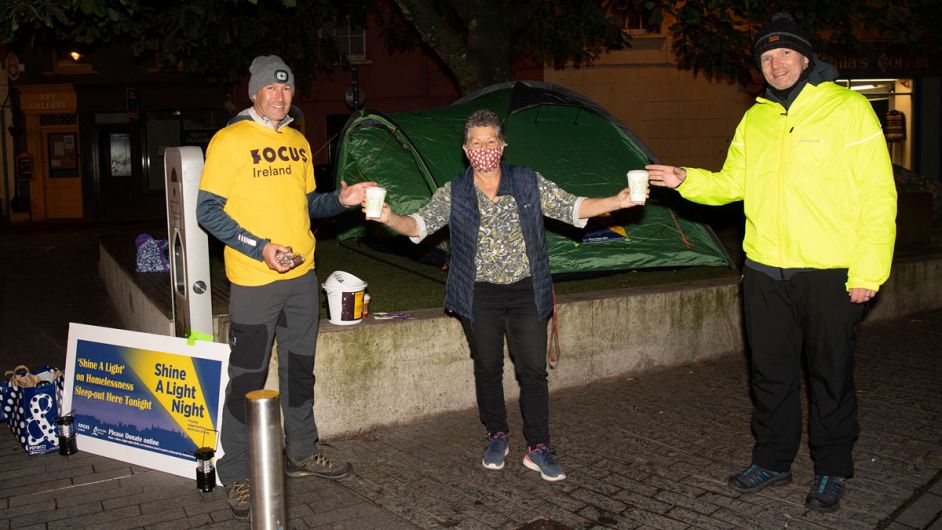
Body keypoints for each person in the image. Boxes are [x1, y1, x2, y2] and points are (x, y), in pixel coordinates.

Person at [647, 12, 897, 512]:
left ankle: (831, 468)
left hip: (830, 271)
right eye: (766, 56)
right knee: (771, 375)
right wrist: (685, 179)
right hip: (763, 272)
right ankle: (774, 461)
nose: (775, 63)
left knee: (829, 374)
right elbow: (733, 184)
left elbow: (878, 195)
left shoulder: (848, 109)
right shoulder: (755, 118)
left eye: (784, 53)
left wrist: (869, 271)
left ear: (806, 58)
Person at [366, 109, 647, 482]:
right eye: (476, 143)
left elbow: (572, 206)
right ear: (466, 150)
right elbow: (417, 225)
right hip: (477, 292)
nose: (484, 149)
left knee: (532, 370)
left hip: (525, 290)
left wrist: (617, 201)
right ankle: (497, 435)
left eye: (491, 142)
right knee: (487, 367)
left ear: (502, 145)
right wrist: (388, 218)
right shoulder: (455, 191)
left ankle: (539, 447)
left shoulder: (527, 180)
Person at [196, 55, 375, 521]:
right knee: (248, 379)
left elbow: (307, 205)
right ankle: (234, 471)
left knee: (300, 371)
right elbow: (208, 212)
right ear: (253, 92)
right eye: (271, 89)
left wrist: (343, 199)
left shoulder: (297, 142)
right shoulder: (229, 140)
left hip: (302, 279)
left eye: (287, 89)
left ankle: (302, 451)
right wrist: (260, 248)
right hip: (256, 281)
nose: (280, 96)